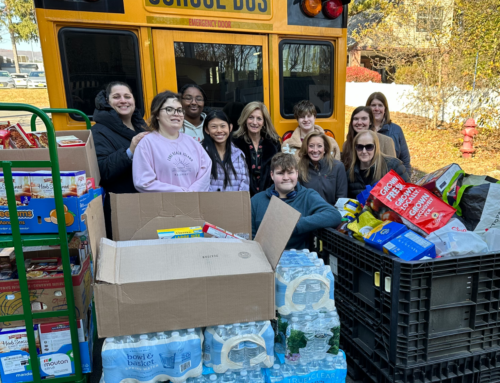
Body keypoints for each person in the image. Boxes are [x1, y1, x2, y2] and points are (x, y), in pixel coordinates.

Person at [92, 81, 149, 238]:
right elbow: (102, 170)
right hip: (121, 208)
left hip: (147, 204)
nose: (123, 100)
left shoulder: (143, 127)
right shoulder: (98, 131)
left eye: (127, 96)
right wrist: (130, 151)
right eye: (116, 97)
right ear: (107, 103)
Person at [251, 153, 342, 250]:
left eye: (290, 173)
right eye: (280, 173)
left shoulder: (308, 196)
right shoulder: (256, 200)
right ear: (272, 175)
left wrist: (295, 225)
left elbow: (334, 215)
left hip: (298, 260)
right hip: (263, 258)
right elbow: (249, 236)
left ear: (297, 174)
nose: (286, 178)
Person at [133, 90, 212, 192]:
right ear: (157, 114)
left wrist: (192, 194)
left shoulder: (193, 143)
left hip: (193, 204)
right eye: (169, 109)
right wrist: (181, 193)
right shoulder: (147, 143)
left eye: (179, 110)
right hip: (163, 206)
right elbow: (143, 182)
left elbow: (205, 172)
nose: (176, 114)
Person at [233, 101, 281, 196]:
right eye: (251, 117)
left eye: (259, 118)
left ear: (264, 122)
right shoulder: (234, 143)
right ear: (245, 119)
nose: (255, 122)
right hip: (243, 198)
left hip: (269, 196)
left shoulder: (274, 144)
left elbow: (279, 171)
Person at [346, 130, 409, 198]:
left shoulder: (393, 166)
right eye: (360, 147)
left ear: (376, 147)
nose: (364, 151)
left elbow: (408, 194)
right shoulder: (350, 174)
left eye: (369, 147)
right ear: (355, 148)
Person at [202, 110, 250, 192]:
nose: (219, 130)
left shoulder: (239, 154)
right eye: (214, 127)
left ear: (230, 127)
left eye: (223, 126)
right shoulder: (201, 153)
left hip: (235, 203)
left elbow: (245, 183)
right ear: (207, 130)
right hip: (209, 203)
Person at [298, 131, 348, 205]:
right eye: (311, 146)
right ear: (306, 148)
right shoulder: (300, 168)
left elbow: (341, 198)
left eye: (319, 146)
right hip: (310, 214)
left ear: (325, 149)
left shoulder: (338, 167)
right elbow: (299, 199)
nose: (315, 150)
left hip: (332, 213)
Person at [366, 92, 411, 173]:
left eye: (380, 105)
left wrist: (405, 181)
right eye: (373, 105)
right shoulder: (363, 130)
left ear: (385, 109)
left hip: (391, 179)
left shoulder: (396, 130)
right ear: (368, 108)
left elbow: (405, 161)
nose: (376, 108)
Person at [342, 106, 396, 170]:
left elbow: (393, 169)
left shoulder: (386, 141)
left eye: (364, 119)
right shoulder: (346, 144)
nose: (359, 122)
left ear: (370, 121)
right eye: (356, 119)